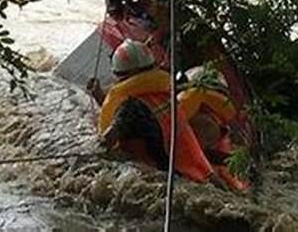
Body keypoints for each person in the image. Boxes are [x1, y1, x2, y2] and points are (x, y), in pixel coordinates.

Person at [87, 39, 214, 183]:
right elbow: (143, 119)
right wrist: (100, 97)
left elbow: (106, 143)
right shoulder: (165, 93)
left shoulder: (131, 108)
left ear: (121, 76)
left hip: (164, 180)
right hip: (197, 172)